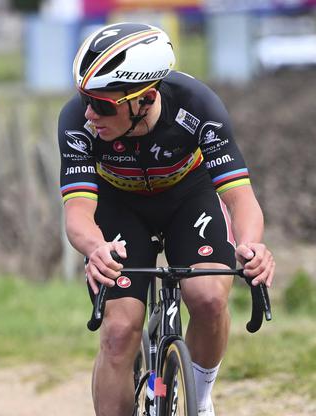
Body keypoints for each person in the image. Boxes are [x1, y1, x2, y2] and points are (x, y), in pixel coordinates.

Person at [57, 22, 275, 415]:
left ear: (146, 98)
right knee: (120, 331)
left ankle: (201, 397)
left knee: (208, 298)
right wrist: (95, 248)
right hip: (118, 204)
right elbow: (77, 212)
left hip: (187, 197)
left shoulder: (198, 106)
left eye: (103, 105)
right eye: (85, 99)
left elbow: (241, 198)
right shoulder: (77, 121)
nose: (90, 114)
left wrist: (252, 244)